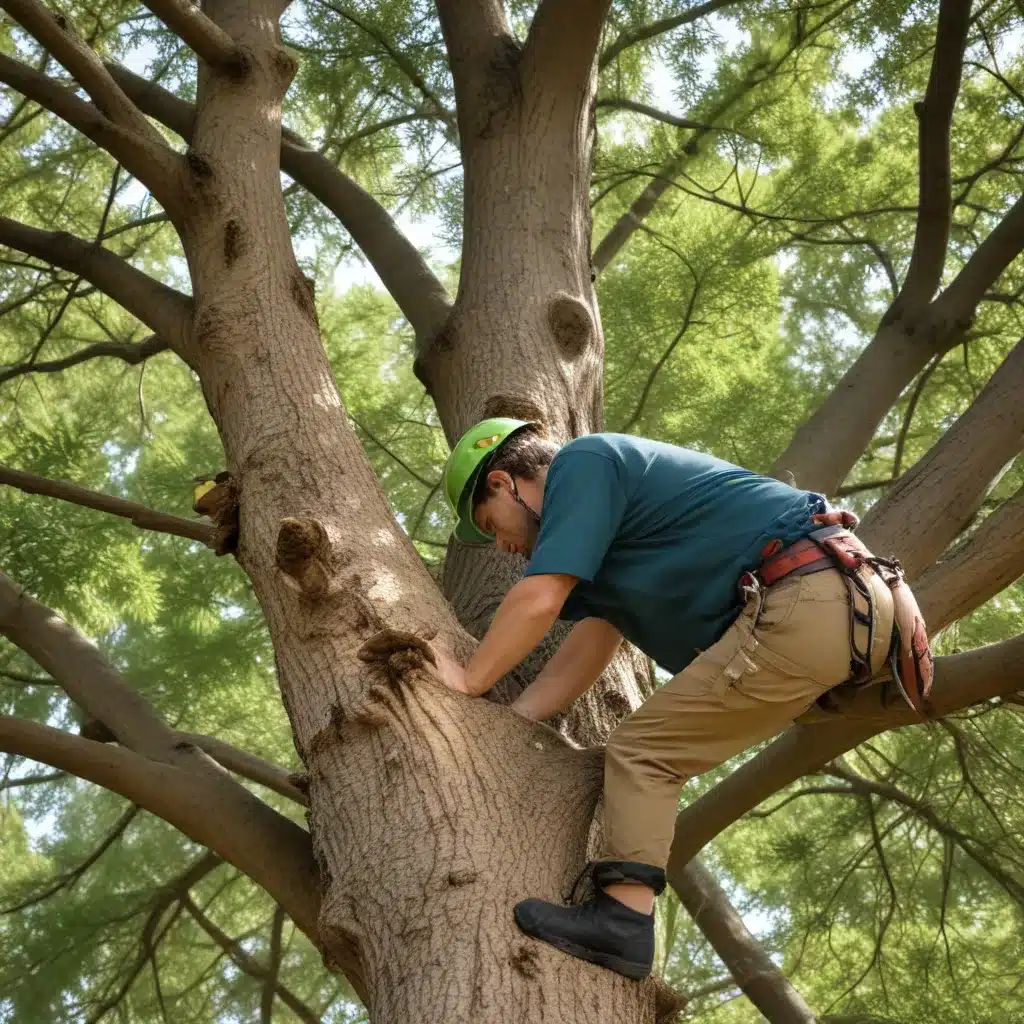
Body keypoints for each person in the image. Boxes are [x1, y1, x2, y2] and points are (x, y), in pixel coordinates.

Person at [437, 417, 926, 981]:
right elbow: (593, 641)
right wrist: (514, 719)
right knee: (650, 748)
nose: (501, 544)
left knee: (645, 751)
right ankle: (623, 918)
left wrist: (470, 680)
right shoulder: (614, 543)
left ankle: (621, 922)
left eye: (489, 524)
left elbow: (541, 595)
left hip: (807, 595)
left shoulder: (584, 462)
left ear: (503, 482)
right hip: (841, 613)